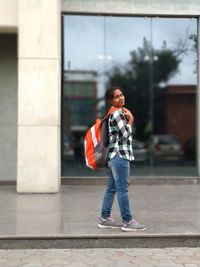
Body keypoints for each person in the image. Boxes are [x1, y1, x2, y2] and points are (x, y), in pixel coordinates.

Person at [98, 87, 147, 232]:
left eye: (121, 95)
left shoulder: (113, 114)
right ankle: (127, 221)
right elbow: (125, 134)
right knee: (122, 189)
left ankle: (104, 218)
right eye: (117, 96)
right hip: (120, 156)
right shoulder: (117, 114)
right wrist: (131, 119)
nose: (121, 98)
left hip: (114, 156)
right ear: (111, 100)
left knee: (112, 188)